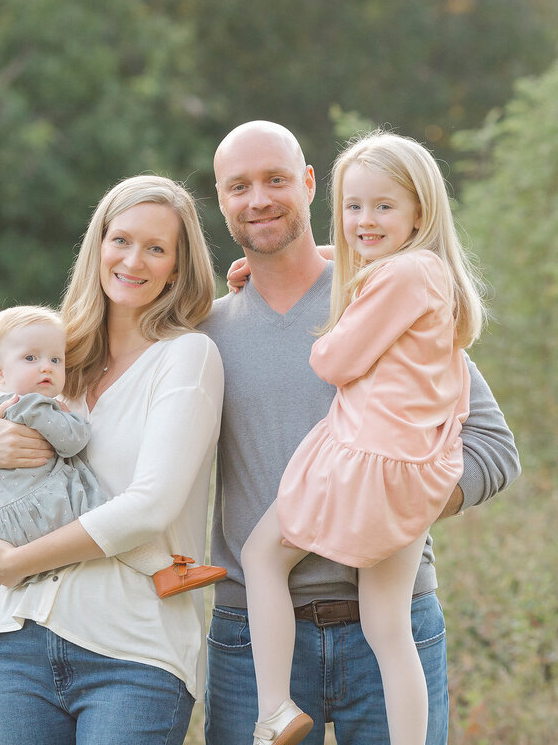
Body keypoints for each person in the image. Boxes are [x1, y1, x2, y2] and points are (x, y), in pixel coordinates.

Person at [201, 121, 521, 745]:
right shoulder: (208, 334)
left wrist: (400, 502)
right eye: (239, 186)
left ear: (309, 185)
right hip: (253, 634)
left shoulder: (384, 304)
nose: (259, 199)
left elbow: (495, 451)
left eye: (276, 180)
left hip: (391, 618)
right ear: (221, 199)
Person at [0, 175, 224, 744]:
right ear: (97, 246)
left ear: (177, 267)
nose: (133, 260)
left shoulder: (188, 358)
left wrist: (19, 561)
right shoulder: (53, 360)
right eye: (120, 240)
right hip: (20, 642)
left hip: (133, 653)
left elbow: (149, 507)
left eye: (156, 248)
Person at [0, 304, 226, 664]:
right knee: (104, 518)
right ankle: (164, 569)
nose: (46, 367)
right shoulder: (36, 407)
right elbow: (72, 442)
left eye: (55, 360)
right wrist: (74, 418)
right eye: (31, 358)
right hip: (42, 508)